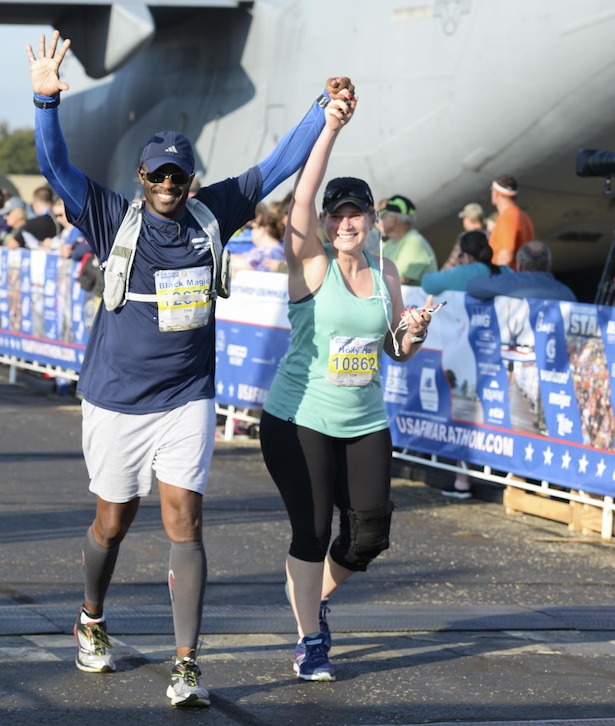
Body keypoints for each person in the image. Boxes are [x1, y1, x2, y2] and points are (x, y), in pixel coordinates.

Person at [27, 30, 335, 707]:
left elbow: (277, 165)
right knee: (113, 520)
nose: (168, 185)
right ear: (141, 178)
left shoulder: (213, 212)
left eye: (178, 176)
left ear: (190, 180)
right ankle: (91, 615)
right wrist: (45, 102)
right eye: (157, 176)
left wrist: (323, 109)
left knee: (184, 520)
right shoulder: (110, 216)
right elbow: (57, 169)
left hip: (187, 398)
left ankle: (188, 662)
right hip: (114, 399)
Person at [259, 89, 433, 682]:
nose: (345, 222)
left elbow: (394, 350)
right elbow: (302, 201)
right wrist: (330, 128)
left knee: (369, 536)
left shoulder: (385, 273)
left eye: (356, 213)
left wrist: (413, 333)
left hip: (364, 420)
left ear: (371, 220)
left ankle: (313, 599)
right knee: (311, 531)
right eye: (338, 213)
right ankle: (310, 639)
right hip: (299, 417)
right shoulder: (312, 265)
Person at [466, 240, 576, 301]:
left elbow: (472, 286)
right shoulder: (566, 294)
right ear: (549, 266)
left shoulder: (508, 283)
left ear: (520, 266)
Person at [421, 229, 509, 295]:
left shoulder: (461, 273)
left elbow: (427, 283)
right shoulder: (506, 271)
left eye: (461, 256)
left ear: (466, 256)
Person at [377, 194, 438, 285]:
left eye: (382, 217)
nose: (378, 222)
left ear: (393, 220)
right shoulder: (391, 243)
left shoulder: (414, 242)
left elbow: (399, 279)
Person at [488, 175, 535, 269]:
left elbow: (505, 256)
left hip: (508, 278)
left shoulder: (507, 217)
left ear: (496, 193)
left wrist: (496, 279)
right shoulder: (523, 216)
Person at [440, 202, 487, 270]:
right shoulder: (490, 234)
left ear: (468, 219)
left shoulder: (465, 238)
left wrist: (439, 276)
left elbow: (453, 261)